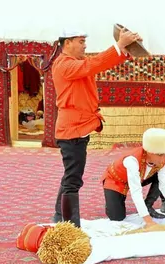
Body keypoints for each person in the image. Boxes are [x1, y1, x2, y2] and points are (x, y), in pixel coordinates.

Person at [51, 28, 142, 227]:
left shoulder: (74, 64)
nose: (85, 45)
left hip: (77, 129)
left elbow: (96, 65)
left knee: (71, 175)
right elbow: (94, 64)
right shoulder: (63, 65)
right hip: (71, 130)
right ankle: (69, 224)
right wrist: (119, 45)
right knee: (73, 179)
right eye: (81, 40)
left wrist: (126, 48)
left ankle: (59, 216)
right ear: (67, 43)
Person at [102, 128, 165, 227]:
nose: (163, 159)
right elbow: (136, 192)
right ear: (149, 151)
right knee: (116, 217)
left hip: (141, 177)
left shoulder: (164, 158)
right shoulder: (132, 160)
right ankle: (113, 198)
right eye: (160, 155)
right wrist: (148, 221)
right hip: (116, 180)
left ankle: (148, 205)